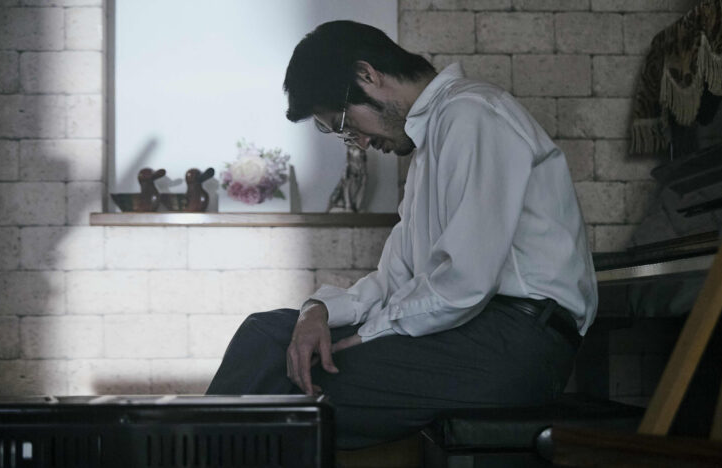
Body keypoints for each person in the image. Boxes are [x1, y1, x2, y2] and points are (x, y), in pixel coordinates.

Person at [207, 20, 597, 449]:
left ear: (367, 74)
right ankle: (190, 445)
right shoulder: (429, 147)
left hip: (517, 341)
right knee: (265, 334)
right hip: (470, 326)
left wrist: (370, 334)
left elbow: (465, 282)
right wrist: (318, 310)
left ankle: (196, 451)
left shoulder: (472, 114)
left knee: (303, 390)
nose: (357, 143)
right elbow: (395, 279)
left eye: (344, 123)